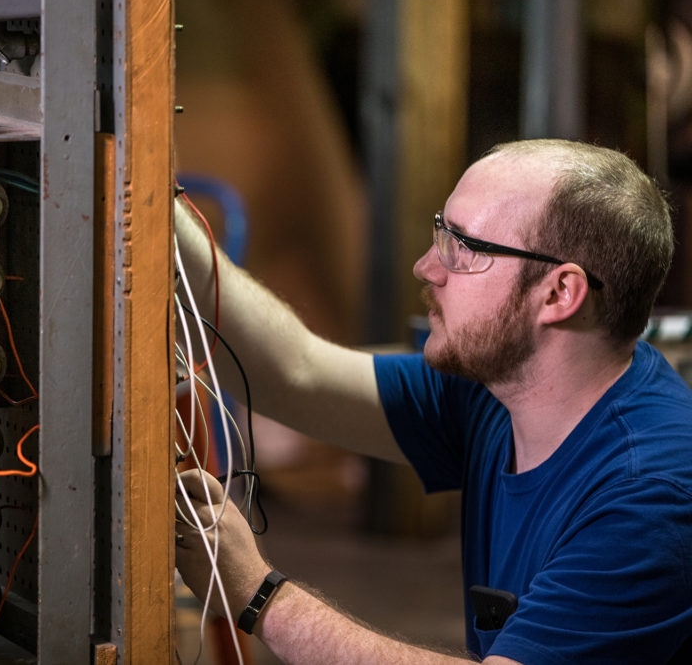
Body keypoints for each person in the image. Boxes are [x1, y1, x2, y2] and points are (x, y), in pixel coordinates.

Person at [174, 139, 692, 664]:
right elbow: (296, 372)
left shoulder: (649, 498)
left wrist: (257, 594)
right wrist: (161, 208)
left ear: (559, 294)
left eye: (464, 247)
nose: (427, 267)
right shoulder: (496, 391)